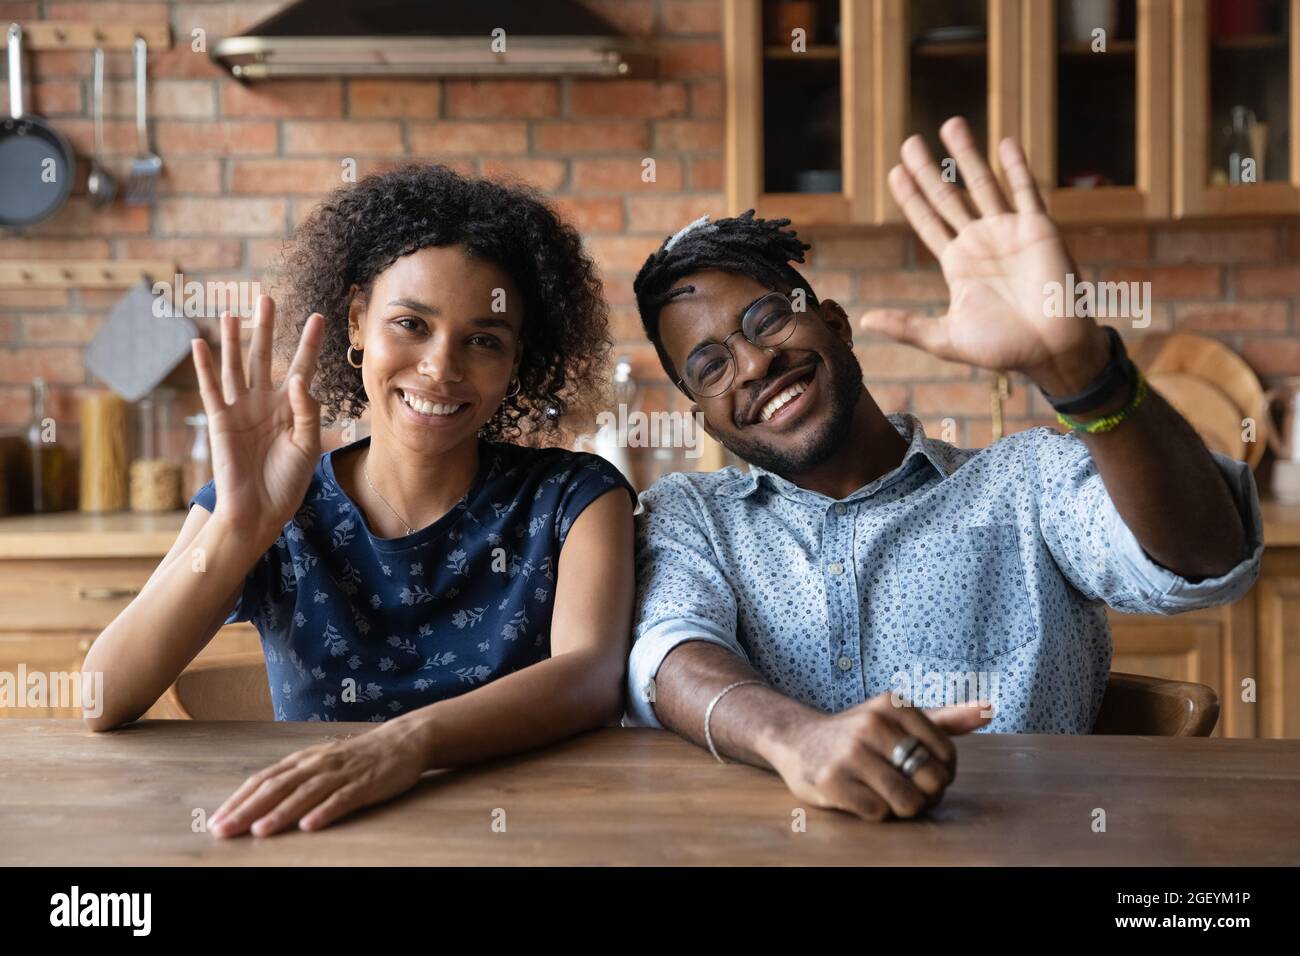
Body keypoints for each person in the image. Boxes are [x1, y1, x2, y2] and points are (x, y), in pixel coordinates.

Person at [626, 116, 1262, 822]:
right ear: (703, 417)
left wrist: (1087, 375)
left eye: (768, 320)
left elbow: (1209, 557)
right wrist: (798, 740)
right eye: (710, 366)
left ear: (832, 323)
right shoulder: (692, 515)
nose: (753, 364)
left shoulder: (1027, 482)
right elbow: (667, 655)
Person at [83, 164, 637, 838]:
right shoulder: (264, 501)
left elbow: (591, 677)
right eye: (411, 323)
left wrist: (404, 746)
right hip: (321, 837)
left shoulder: (574, 499)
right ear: (356, 323)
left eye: (484, 340)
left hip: (523, 836)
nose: (441, 366)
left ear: (517, 363)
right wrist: (239, 527)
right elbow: (101, 697)